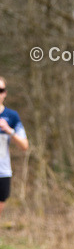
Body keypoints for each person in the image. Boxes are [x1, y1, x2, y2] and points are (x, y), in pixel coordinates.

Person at [0, 77, 29, 217]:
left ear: (5, 93)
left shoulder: (11, 116)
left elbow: (24, 145)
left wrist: (9, 130)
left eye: (0, 90)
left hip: (2, 171)